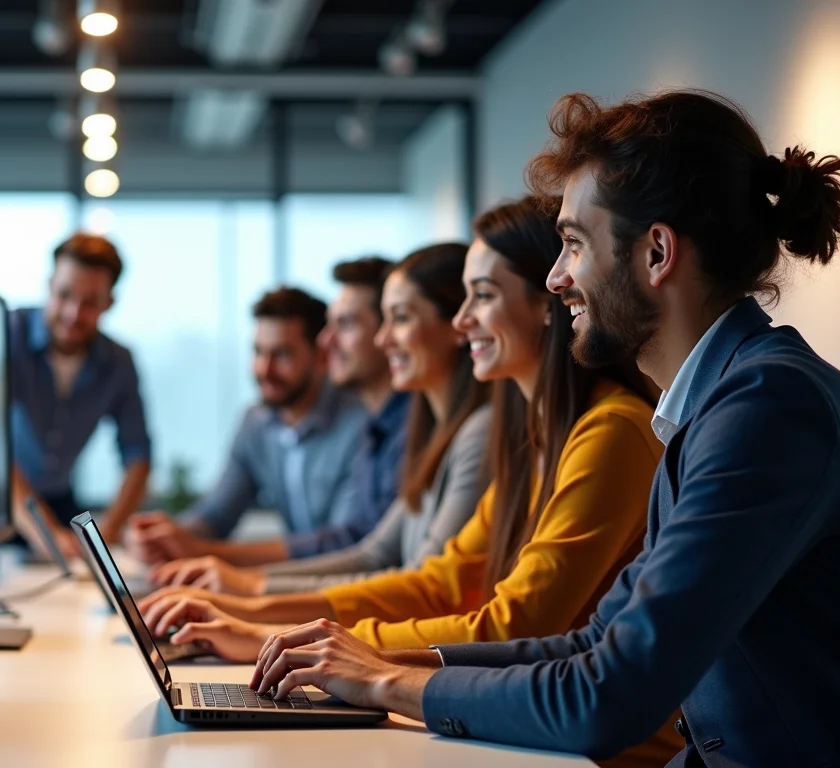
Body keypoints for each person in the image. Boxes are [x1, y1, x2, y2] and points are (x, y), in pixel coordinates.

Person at [247, 90, 840, 767]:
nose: (558, 278)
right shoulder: (714, 405)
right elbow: (595, 643)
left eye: (575, 244)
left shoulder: (767, 408)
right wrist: (373, 659)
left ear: (657, 254)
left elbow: (604, 697)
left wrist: (384, 680)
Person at [140, 196, 680, 768]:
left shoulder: (610, 432)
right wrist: (278, 629)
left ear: (546, 305)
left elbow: (511, 624)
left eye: (484, 296)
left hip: (604, 753)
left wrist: (345, 652)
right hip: (534, 732)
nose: (461, 320)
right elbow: (441, 580)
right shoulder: (536, 439)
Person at [151, 244, 493, 598]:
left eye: (400, 318)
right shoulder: (421, 429)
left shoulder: (451, 430)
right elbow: (373, 554)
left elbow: (410, 579)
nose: (383, 339)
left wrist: (249, 592)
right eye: (257, 352)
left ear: (457, 326)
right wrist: (237, 586)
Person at [126, 287, 370, 564]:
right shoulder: (256, 422)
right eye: (258, 352)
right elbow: (216, 516)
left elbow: (344, 543)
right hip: (296, 584)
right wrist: (166, 537)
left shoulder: (360, 423)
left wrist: (206, 552)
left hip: (342, 586)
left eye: (282, 355)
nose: (263, 370)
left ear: (321, 357)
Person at [10, 233, 151, 556]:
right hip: (5, 502)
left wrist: (110, 533)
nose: (74, 313)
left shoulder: (119, 363)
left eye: (89, 302)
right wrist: (42, 532)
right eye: (64, 295)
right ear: (49, 285)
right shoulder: (9, 335)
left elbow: (137, 455)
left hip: (61, 501)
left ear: (109, 303)